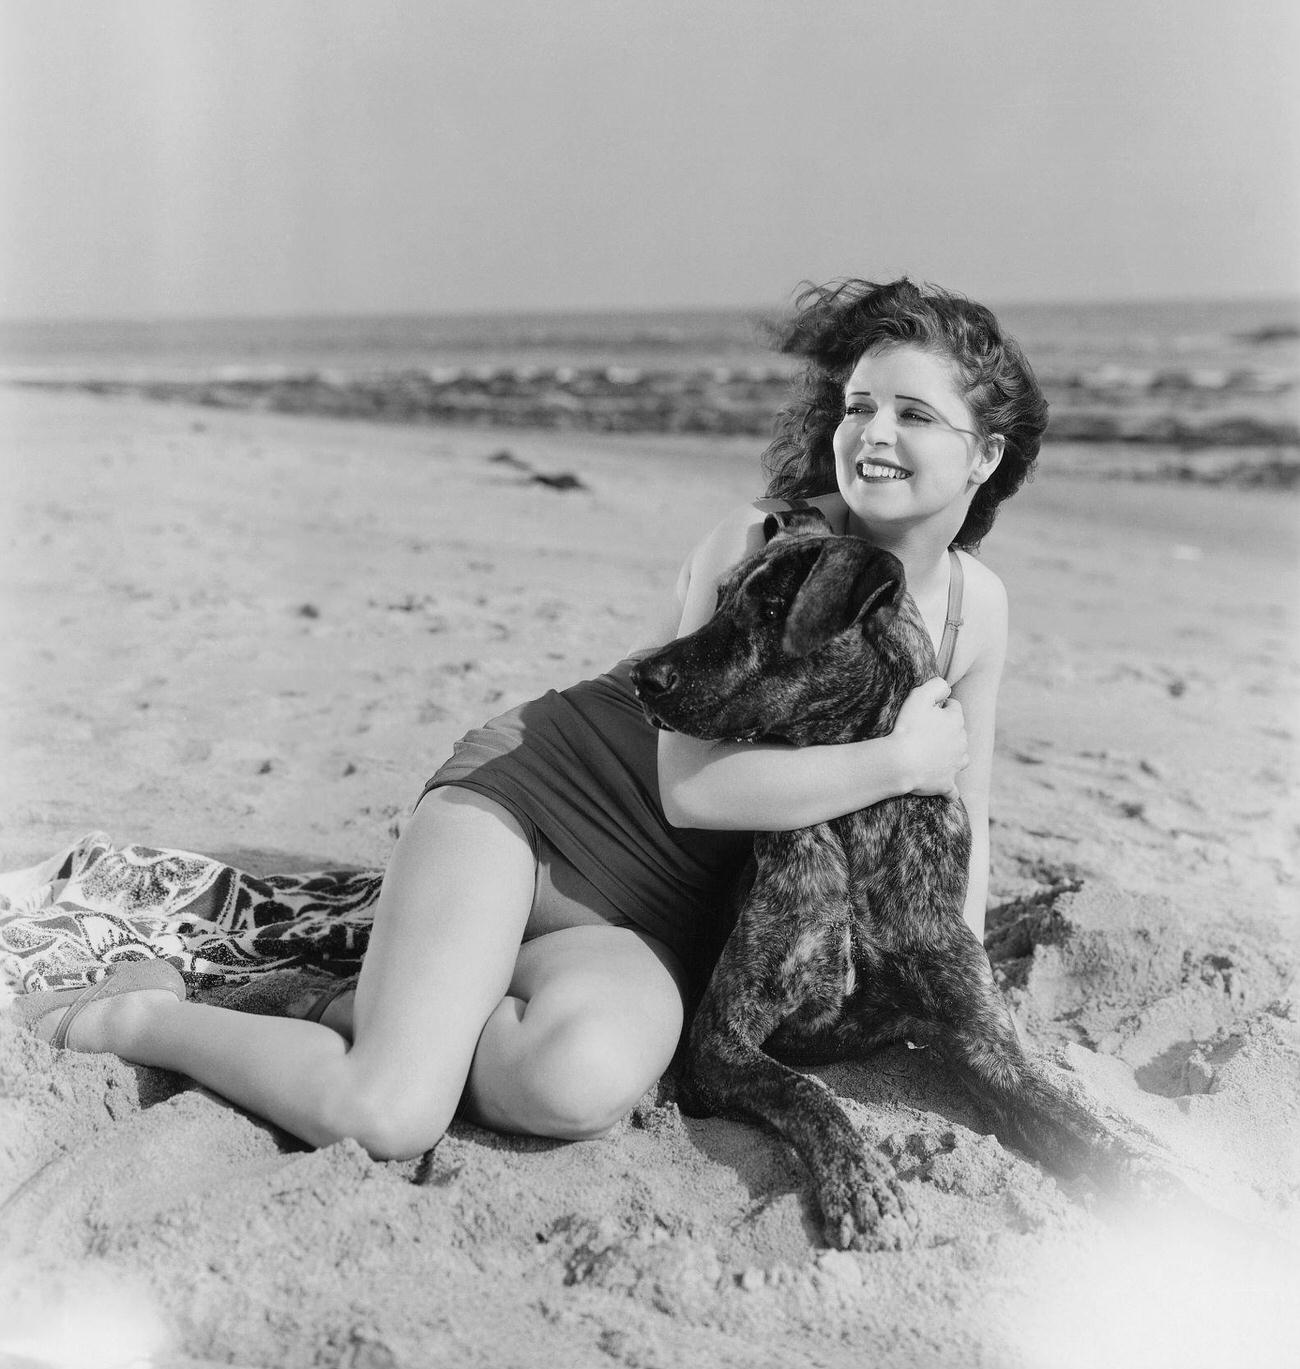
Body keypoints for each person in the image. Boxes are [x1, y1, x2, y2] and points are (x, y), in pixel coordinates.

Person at [14, 276, 1048, 1160]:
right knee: (390, 1111)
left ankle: (372, 1001)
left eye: (913, 414)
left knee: (567, 1086)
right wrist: (899, 758)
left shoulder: (973, 606)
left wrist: (957, 982)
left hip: (666, 927)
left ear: (985, 453)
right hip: (536, 813)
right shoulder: (762, 545)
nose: (870, 433)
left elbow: (967, 814)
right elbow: (693, 789)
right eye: (858, 404)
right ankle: (139, 1015)